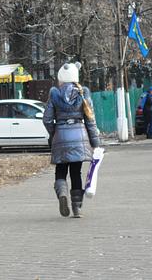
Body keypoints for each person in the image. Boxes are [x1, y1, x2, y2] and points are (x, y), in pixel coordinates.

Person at [43, 62, 101, 218]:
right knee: (76, 172)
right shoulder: (83, 93)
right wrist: (95, 143)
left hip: (60, 135)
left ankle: (62, 194)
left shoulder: (54, 93)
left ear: (61, 78)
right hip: (79, 136)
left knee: (60, 170)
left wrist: (54, 132)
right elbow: (90, 119)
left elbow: (47, 119)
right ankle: (77, 209)